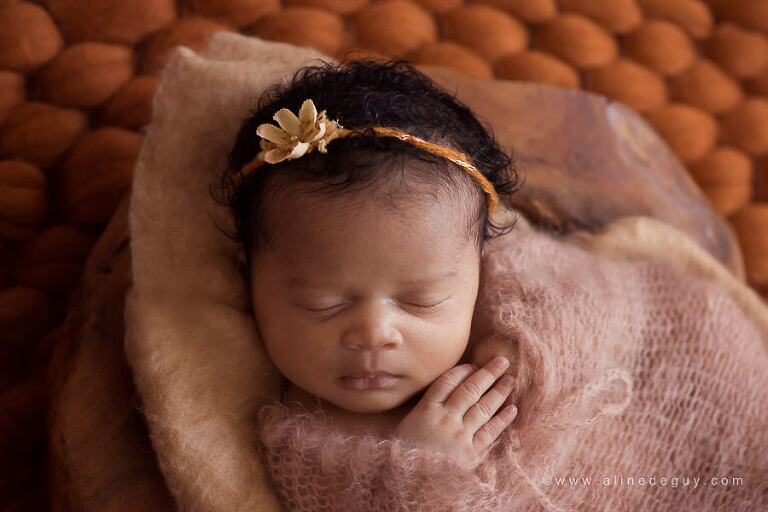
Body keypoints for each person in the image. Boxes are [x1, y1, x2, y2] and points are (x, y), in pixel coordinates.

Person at [214, 57, 526, 507]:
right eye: (321, 303)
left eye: (423, 300)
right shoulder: (294, 446)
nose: (374, 334)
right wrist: (422, 472)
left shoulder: (512, 303)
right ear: (248, 279)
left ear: (480, 270)